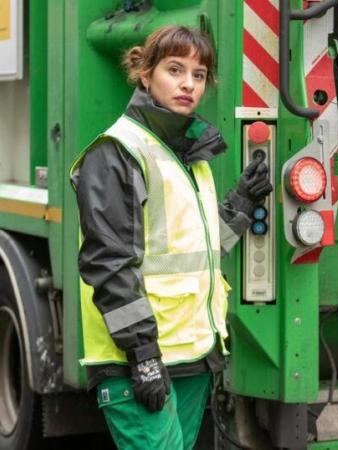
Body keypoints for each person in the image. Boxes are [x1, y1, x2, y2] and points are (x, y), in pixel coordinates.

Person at [69, 25, 272, 449]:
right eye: (174, 69)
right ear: (145, 74)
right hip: (137, 360)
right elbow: (109, 265)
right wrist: (142, 356)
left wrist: (241, 202)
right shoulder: (117, 152)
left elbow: (199, 250)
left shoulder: (187, 155)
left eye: (198, 75)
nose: (187, 84)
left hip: (188, 356)